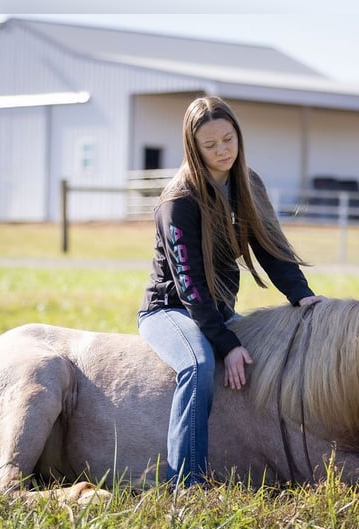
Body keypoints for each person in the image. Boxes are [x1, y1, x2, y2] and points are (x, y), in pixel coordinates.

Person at [137, 95, 325, 487]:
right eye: (210, 145)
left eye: (228, 139)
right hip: (171, 310)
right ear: (194, 147)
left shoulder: (248, 183)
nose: (222, 150)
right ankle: (184, 483)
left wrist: (302, 296)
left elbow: (270, 247)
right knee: (199, 364)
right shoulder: (178, 202)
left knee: (269, 359)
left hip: (217, 309)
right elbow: (189, 285)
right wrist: (225, 341)